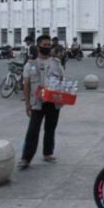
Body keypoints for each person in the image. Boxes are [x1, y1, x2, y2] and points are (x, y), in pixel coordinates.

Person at [18, 35, 64, 170]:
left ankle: (48, 153)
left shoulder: (56, 63)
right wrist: (27, 103)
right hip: (37, 102)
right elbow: (26, 84)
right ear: (38, 47)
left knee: (50, 128)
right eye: (44, 45)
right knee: (33, 130)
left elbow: (62, 80)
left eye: (49, 45)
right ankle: (26, 158)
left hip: (53, 101)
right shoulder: (30, 64)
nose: (47, 47)